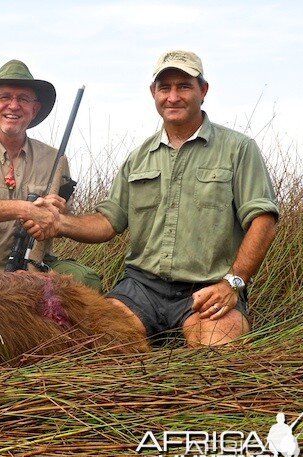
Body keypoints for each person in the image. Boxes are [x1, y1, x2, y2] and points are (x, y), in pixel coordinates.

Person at [31, 50, 279, 347]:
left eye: (184, 86)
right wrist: (59, 222)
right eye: (165, 88)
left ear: (203, 90)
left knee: (217, 356)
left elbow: (264, 220)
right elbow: (108, 222)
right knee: (99, 346)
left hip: (208, 289)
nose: (173, 97)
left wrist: (233, 283)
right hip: (141, 289)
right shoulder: (137, 158)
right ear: (154, 93)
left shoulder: (239, 149)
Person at [0, 59, 102, 290]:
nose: (14, 106)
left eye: (23, 99)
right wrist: (26, 209)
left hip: (33, 265)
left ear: (34, 109)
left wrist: (58, 216)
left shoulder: (56, 160)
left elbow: (63, 216)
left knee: (86, 281)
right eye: (5, 97)